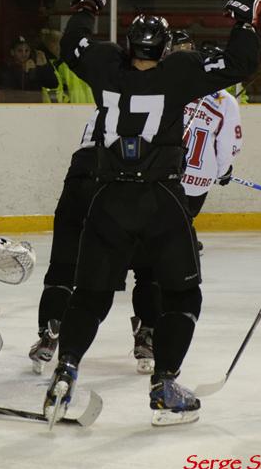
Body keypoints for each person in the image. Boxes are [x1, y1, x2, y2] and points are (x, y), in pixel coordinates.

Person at [43, 0, 261, 426]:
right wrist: (244, 18)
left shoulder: (103, 64)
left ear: (127, 44)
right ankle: (164, 384)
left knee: (88, 297)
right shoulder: (180, 72)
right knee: (182, 296)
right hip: (163, 201)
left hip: (108, 201)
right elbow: (242, 63)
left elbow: (71, 45)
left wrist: (87, 5)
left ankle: (65, 371)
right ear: (163, 48)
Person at [28, 110, 163, 376]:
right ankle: (147, 336)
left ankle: (49, 333)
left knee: (64, 263)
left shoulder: (107, 99)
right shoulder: (157, 101)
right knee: (147, 266)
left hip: (79, 176)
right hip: (124, 177)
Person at [171, 30, 244, 253]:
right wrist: (224, 169)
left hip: (170, 168)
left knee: (167, 217)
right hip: (200, 176)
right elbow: (228, 142)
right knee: (184, 217)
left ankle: (181, 238)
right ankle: (185, 237)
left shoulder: (174, 85)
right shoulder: (226, 100)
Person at [38, 28, 94, 104]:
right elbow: (54, 96)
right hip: (74, 111)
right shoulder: (53, 68)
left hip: (85, 110)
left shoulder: (81, 61)